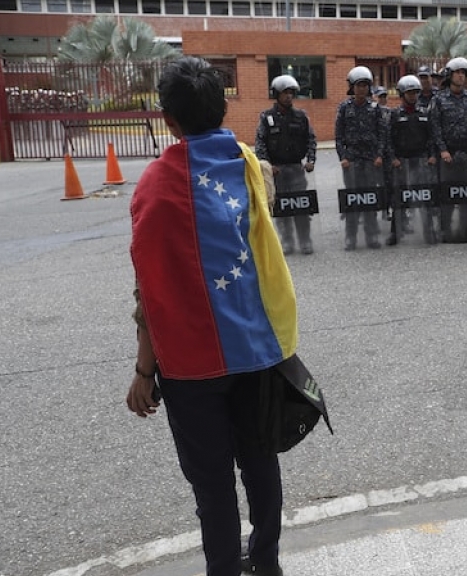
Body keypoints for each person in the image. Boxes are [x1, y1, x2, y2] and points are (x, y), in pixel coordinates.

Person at [128, 56, 297, 576]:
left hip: (189, 361)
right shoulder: (251, 166)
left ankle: (224, 568)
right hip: (256, 346)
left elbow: (150, 290)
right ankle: (265, 564)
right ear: (223, 109)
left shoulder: (155, 185)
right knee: (260, 461)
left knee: (212, 485)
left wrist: (142, 370)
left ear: (168, 119)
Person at [255, 74, 317, 255]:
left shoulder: (300, 116)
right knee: (282, 209)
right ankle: (287, 242)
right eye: (285, 93)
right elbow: (260, 143)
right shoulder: (266, 117)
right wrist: (267, 165)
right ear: (276, 94)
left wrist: (311, 160)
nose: (289, 96)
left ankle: (305, 240)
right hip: (277, 171)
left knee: (301, 206)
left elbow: (311, 139)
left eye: (291, 92)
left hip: (297, 169)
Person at [430, 57, 467, 241]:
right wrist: (443, 150)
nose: (461, 76)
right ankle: (446, 230)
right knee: (447, 194)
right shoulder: (438, 100)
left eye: (464, 73)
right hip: (449, 156)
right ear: (449, 75)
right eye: (458, 73)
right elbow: (435, 128)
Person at [335, 66, 387, 250]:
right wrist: (343, 157)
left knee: (371, 199)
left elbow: (382, 134)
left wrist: (379, 155)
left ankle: (372, 236)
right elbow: (339, 136)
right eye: (359, 85)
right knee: (352, 200)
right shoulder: (343, 108)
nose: (362, 89)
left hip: (371, 160)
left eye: (365, 85)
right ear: (352, 87)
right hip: (351, 161)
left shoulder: (375, 108)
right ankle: (351, 238)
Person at [386, 74, 437, 245]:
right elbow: (388, 139)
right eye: (409, 93)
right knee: (399, 198)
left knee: (424, 196)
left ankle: (428, 231)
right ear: (402, 94)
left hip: (420, 161)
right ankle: (395, 233)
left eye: (415, 92)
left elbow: (431, 137)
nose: (413, 96)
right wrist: (393, 158)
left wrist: (431, 155)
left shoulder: (425, 113)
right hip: (401, 163)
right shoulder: (394, 115)